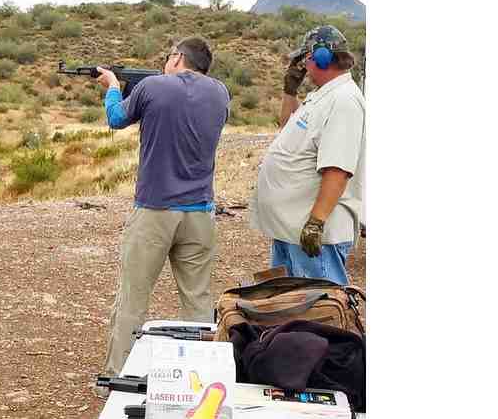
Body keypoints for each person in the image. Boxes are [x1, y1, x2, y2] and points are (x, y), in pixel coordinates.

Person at [94, 36, 230, 391]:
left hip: (155, 210)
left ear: (178, 57)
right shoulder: (221, 94)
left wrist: (112, 86)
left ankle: (116, 377)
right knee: (198, 301)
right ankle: (199, 380)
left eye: (169, 56)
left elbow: (115, 118)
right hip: (200, 212)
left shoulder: (152, 86)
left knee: (133, 298)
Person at [250, 25, 365, 285]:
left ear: (322, 57)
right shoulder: (322, 96)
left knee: (321, 312)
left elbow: (338, 168)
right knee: (292, 312)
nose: (304, 64)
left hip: (312, 234)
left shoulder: (344, 100)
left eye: (306, 58)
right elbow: (285, 127)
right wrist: (290, 90)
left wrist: (316, 223)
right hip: (292, 228)